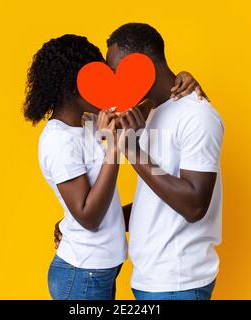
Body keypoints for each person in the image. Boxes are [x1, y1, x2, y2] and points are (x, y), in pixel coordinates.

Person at [24, 34, 204, 300]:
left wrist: (178, 83)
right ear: (74, 88)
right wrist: (113, 150)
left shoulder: (88, 124)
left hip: (99, 271)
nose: (108, 92)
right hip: (81, 274)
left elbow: (135, 117)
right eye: (97, 83)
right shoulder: (58, 140)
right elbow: (88, 216)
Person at [107, 23, 225, 300]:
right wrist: (79, 225)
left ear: (142, 65)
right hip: (151, 280)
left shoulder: (197, 116)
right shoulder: (147, 114)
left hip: (178, 283)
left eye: (116, 72)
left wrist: (134, 153)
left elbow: (194, 204)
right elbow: (158, 199)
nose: (113, 83)